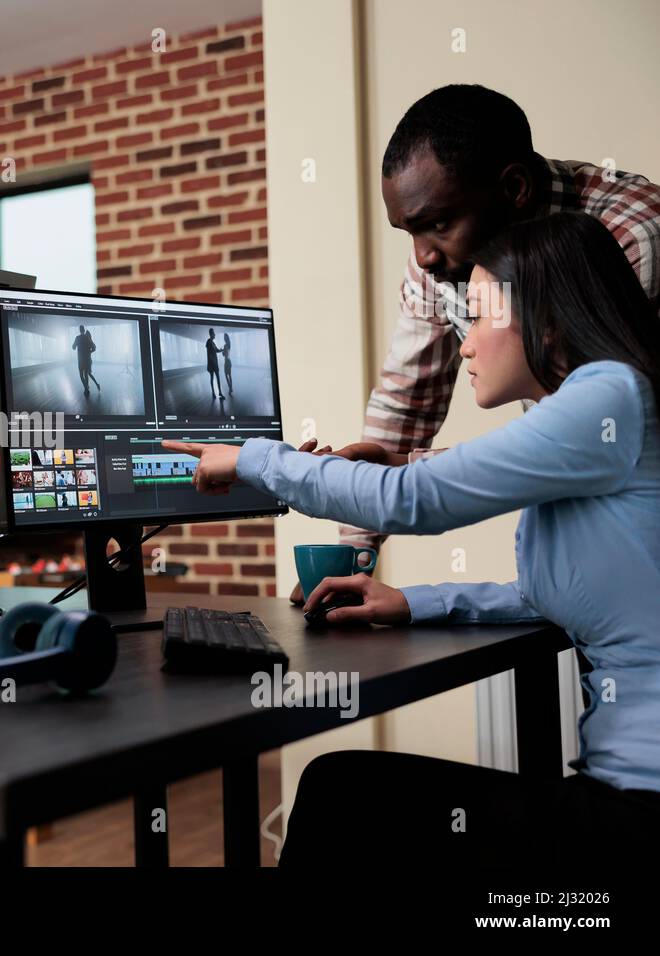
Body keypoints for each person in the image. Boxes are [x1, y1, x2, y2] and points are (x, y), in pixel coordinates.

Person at [165, 213, 660, 864]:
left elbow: (414, 503)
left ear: (547, 320)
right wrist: (414, 602)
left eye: (481, 316)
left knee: (340, 792)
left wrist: (256, 459)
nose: (466, 344)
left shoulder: (610, 396)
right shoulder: (612, 412)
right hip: (619, 804)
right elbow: (554, 594)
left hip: (633, 823)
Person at [288, 84, 660, 604]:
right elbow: (404, 404)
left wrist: (262, 463)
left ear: (514, 189)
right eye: (407, 232)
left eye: (435, 225)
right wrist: (352, 560)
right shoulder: (444, 257)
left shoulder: (627, 237)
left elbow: (569, 442)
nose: (422, 258)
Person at [71, 324, 101, 396]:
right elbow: (94, 348)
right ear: (84, 330)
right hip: (87, 359)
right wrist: (89, 352)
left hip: (80, 360)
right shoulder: (87, 338)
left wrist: (76, 347)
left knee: (82, 375)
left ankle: (86, 388)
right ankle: (87, 388)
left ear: (79, 330)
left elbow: (73, 347)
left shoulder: (77, 338)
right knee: (87, 374)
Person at [205, 329, 224, 399]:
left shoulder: (213, 342)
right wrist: (212, 361)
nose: (215, 335)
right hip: (212, 364)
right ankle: (214, 393)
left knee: (216, 378)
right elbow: (209, 354)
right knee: (213, 378)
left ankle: (219, 392)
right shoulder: (209, 342)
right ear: (211, 334)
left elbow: (217, 350)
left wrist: (222, 350)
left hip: (214, 363)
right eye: (214, 333)